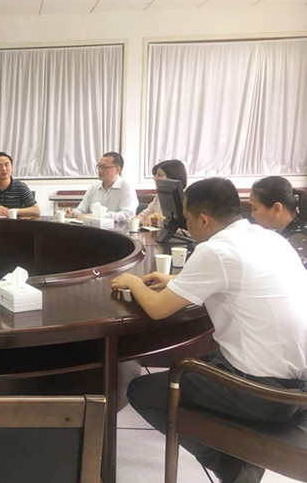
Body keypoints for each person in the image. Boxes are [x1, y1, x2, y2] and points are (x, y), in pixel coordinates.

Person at [110, 177, 307, 483]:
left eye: (187, 219)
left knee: (143, 392)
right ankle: (240, 454)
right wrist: (176, 281)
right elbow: (237, 280)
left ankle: (233, 466)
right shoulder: (269, 238)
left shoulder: (215, 251)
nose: (186, 226)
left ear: (203, 219)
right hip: (299, 387)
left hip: (263, 394)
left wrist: (134, 282)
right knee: (206, 361)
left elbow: (157, 309)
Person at [250, 176, 307, 268]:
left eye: (254, 208)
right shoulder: (283, 233)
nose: (252, 215)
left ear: (277, 208)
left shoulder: (296, 242)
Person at [66, 152, 138, 222]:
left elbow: (128, 215)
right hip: (93, 227)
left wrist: (97, 216)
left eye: (105, 167)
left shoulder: (126, 187)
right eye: (99, 166)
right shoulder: (94, 187)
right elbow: (82, 210)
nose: (100, 170)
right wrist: (73, 213)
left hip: (116, 229)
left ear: (117, 170)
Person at [136, 159, 188, 228]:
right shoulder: (158, 197)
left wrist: (157, 216)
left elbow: (181, 228)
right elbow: (142, 216)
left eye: (159, 175)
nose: (155, 178)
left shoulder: (186, 200)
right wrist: (141, 221)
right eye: (155, 175)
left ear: (172, 177)